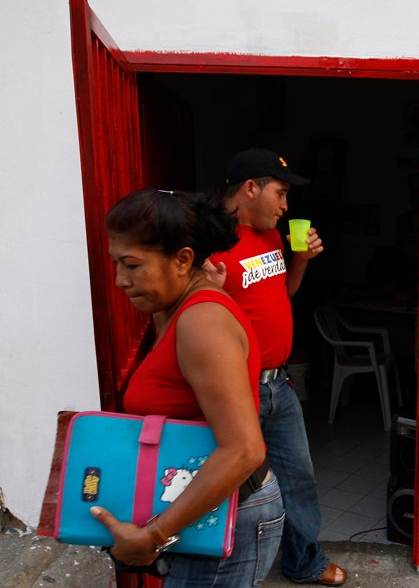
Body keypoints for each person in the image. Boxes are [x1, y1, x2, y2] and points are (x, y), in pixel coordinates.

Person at [91, 188, 283, 587]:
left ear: (182, 260)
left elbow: (244, 449)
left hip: (231, 514)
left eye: (132, 265)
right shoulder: (176, 307)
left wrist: (154, 537)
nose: (120, 281)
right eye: (116, 264)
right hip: (204, 510)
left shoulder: (202, 323)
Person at [206, 148, 346, 586]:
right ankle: (215, 563)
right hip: (235, 388)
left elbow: (278, 295)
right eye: (280, 193)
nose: (286, 206)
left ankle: (302, 561)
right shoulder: (211, 244)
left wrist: (300, 260)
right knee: (227, 483)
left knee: (298, 477)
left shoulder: (272, 237)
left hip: (278, 385)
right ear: (250, 188)